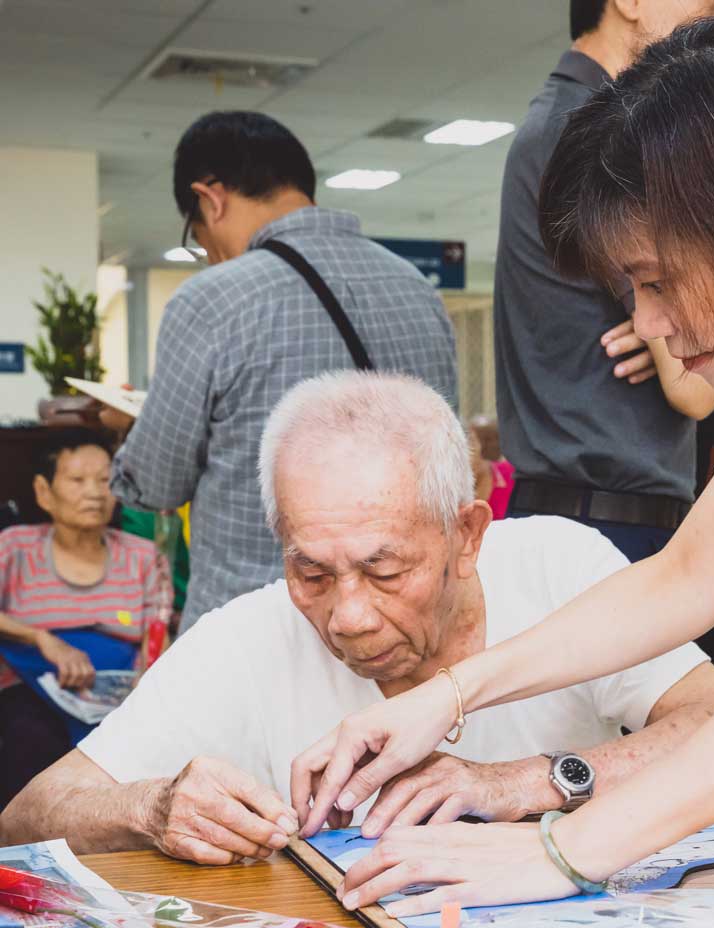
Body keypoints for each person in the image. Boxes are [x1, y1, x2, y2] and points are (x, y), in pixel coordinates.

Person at [290, 18, 714, 920]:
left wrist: (564, 850)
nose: (647, 324)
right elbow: (690, 574)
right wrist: (450, 696)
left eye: (658, 281)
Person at [0, 373, 714, 862]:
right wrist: (152, 808)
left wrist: (524, 783)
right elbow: (27, 816)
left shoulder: (558, 565)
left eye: (385, 571)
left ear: (467, 535)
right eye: (311, 572)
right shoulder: (245, 638)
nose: (347, 617)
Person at [106, 110, 457, 632]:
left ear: (211, 198)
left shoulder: (212, 300)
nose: (207, 253)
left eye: (197, 235)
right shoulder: (417, 290)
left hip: (256, 623)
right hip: (395, 622)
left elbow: (155, 485)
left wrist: (128, 430)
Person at [494, 0, 714, 564]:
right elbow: (696, 387)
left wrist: (669, 332)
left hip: (588, 517)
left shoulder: (565, 121)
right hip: (601, 527)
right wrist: (691, 332)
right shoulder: (598, 138)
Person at [0, 430, 172, 807]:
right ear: (44, 492)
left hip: (120, 702)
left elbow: (157, 633)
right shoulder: (14, 547)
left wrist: (147, 679)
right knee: (28, 741)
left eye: (104, 480)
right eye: (77, 480)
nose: (95, 492)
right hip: (30, 699)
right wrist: (41, 638)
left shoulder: (143, 557)